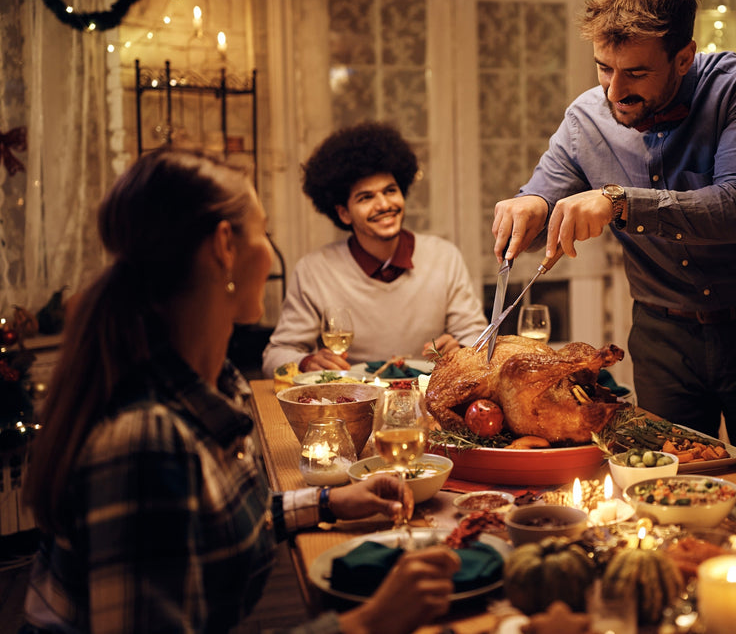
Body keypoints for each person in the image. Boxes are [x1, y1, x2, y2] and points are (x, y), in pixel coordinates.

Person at [22, 150, 460, 633]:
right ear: (225, 246)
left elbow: (210, 517)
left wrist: (328, 503)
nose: (270, 252)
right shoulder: (148, 442)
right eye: (264, 231)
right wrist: (369, 622)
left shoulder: (212, 385)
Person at [491, 0, 736, 446]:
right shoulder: (586, 119)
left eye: (635, 73)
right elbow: (544, 196)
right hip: (660, 340)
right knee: (663, 480)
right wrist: (528, 208)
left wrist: (619, 202)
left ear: (684, 57)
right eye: (603, 68)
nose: (614, 92)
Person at [262, 122, 486, 376]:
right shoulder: (314, 270)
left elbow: (479, 339)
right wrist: (306, 362)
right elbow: (275, 356)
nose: (384, 204)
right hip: (350, 402)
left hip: (426, 403)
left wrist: (462, 349)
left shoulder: (444, 258)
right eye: (366, 197)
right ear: (344, 213)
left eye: (390, 191)